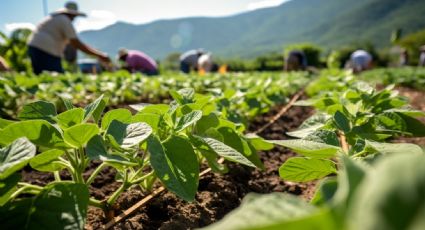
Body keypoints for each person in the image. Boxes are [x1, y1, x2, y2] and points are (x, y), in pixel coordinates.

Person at [27, 1, 110, 75]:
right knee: (56, 77)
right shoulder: (64, 20)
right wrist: (100, 55)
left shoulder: (55, 19)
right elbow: (76, 43)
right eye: (74, 16)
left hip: (35, 47)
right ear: (72, 14)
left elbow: (71, 44)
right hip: (46, 50)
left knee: (42, 75)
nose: (74, 19)